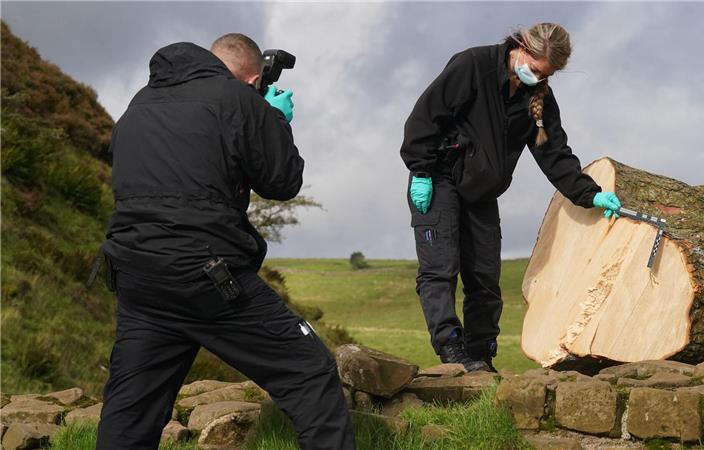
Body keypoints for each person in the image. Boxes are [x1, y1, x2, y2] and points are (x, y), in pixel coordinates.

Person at [95, 33, 354, 449]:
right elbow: (282, 181)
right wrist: (275, 121)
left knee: (131, 411)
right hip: (205, 275)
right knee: (309, 369)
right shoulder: (239, 100)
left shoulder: (138, 105)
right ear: (252, 81)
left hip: (135, 276)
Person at [400, 23, 622, 372]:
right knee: (440, 269)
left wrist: (590, 194)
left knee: (485, 278)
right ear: (519, 46)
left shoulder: (539, 98)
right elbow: (423, 119)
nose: (536, 78)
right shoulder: (473, 65)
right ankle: (451, 350)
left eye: (545, 75)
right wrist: (421, 171)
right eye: (534, 69)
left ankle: (481, 356)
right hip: (438, 179)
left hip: (482, 193)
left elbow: (554, 154)